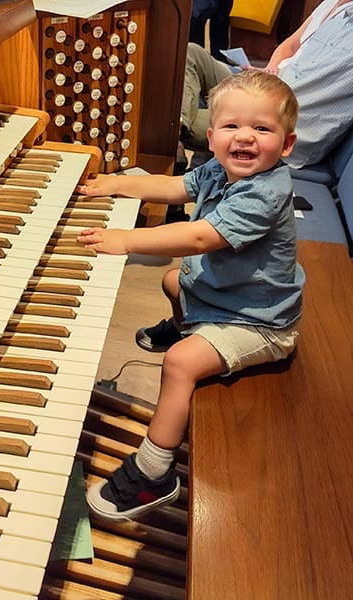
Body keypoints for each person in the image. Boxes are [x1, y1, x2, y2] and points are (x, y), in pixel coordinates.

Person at [77, 70, 304, 520]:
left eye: (262, 128)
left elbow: (199, 239)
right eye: (233, 126)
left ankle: (154, 475)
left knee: (180, 363)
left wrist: (127, 239)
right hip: (229, 297)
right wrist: (120, 183)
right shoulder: (219, 169)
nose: (245, 137)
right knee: (170, 281)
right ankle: (184, 326)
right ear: (212, 134)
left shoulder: (264, 192)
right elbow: (175, 187)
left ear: (287, 144)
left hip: (260, 322)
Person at [181, 0, 353, 168]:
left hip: (281, 116)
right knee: (192, 53)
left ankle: (176, 132)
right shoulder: (332, 3)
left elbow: (296, 96)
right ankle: (179, 132)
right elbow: (290, 46)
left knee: (179, 117)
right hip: (271, 84)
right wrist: (270, 70)